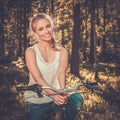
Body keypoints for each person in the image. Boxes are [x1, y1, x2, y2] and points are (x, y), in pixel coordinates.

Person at [25, 13, 83, 120]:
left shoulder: (62, 51)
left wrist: (63, 92)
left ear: (52, 26)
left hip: (55, 100)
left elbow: (61, 72)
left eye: (48, 26)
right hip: (37, 101)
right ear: (35, 33)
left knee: (76, 98)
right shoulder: (31, 51)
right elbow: (38, 77)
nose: (46, 31)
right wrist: (53, 94)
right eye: (41, 29)